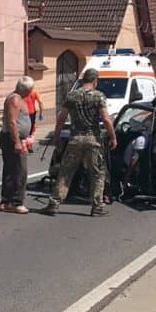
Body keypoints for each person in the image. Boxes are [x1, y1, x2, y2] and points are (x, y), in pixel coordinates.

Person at [41, 68, 117, 217]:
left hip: (75, 139)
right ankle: (97, 206)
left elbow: (61, 118)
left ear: (83, 80)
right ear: (95, 81)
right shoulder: (98, 96)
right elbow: (106, 120)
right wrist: (113, 137)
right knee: (97, 173)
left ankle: (54, 204)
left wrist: (56, 137)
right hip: (93, 140)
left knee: (65, 172)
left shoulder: (72, 96)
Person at [0, 77, 34, 214]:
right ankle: (16, 202)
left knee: (11, 170)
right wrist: (17, 142)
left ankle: (6, 201)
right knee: (20, 171)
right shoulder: (15, 99)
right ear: (27, 89)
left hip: (13, 138)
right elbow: (12, 122)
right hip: (12, 139)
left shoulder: (18, 98)